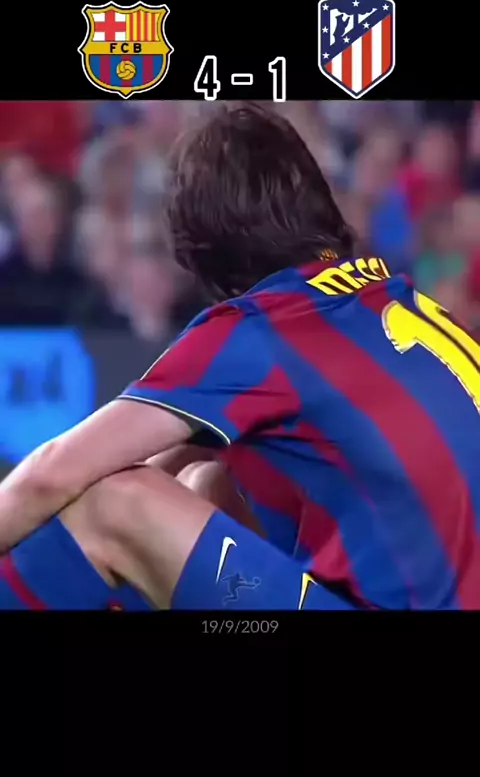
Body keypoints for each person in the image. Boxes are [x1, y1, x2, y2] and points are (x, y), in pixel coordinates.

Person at [1, 104, 480, 610]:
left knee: (117, 504)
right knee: (207, 479)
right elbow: (174, 462)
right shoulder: (400, 299)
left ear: (204, 244)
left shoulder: (269, 326)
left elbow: (52, 474)